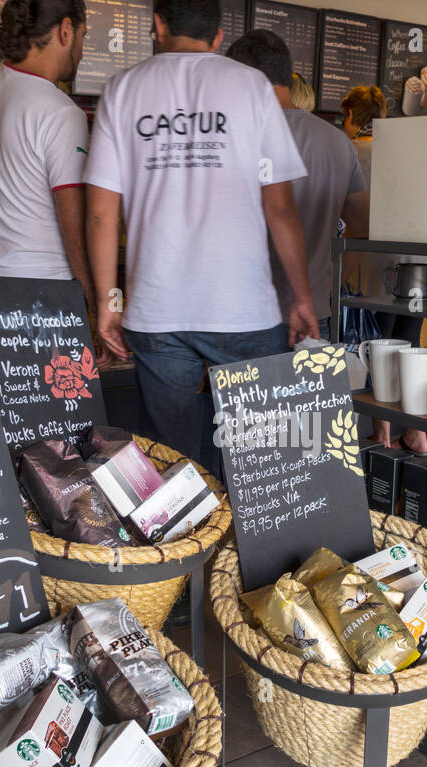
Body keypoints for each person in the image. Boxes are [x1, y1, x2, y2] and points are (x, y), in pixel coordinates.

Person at [84, 0, 316, 473]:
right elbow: (280, 206)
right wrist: (302, 297)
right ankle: (254, 545)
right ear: (217, 36)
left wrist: (108, 300)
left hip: (157, 311)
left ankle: (189, 545)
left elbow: (100, 213)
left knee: (172, 463)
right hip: (244, 310)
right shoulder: (250, 85)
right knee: (264, 464)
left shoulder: (122, 90)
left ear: (158, 24)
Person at [226, 29, 370, 344]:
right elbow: (362, 227)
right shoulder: (338, 142)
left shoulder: (237, 138)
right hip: (314, 314)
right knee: (307, 394)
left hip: (244, 318)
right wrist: (330, 283)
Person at [0, 0, 93, 307]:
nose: (81, 51)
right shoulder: (62, 113)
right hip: (43, 291)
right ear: (66, 31)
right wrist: (92, 301)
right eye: (83, 36)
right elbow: (74, 227)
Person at [340, 84, 427, 455]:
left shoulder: (353, 151)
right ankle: (417, 433)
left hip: (373, 267)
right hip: (419, 266)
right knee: (409, 348)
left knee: (376, 347)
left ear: (351, 117)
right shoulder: (408, 152)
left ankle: (383, 433)